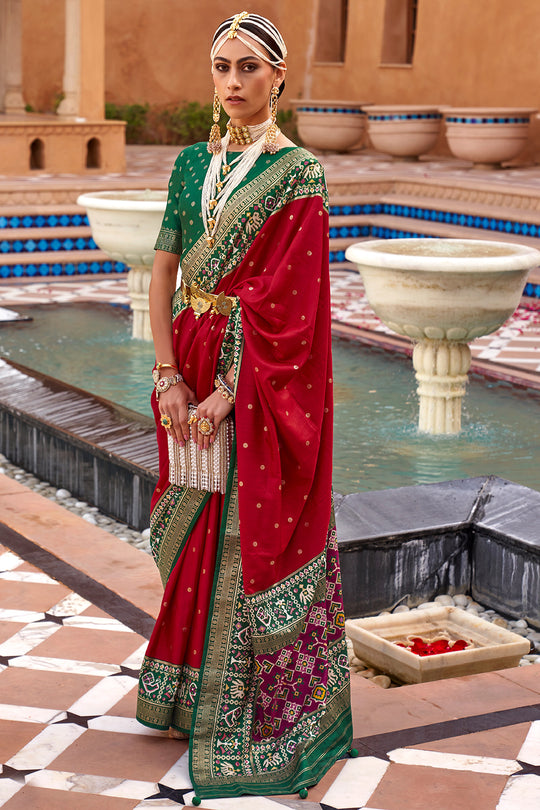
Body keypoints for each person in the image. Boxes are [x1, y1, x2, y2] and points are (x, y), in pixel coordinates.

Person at [137, 11, 353, 801]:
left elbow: (296, 309)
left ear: (279, 78)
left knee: (243, 530)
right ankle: (185, 692)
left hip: (254, 382)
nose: (233, 82)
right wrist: (168, 375)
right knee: (191, 521)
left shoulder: (299, 174)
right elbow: (162, 273)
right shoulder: (191, 165)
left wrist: (230, 393)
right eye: (222, 67)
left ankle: (256, 717)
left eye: (249, 68)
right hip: (186, 365)